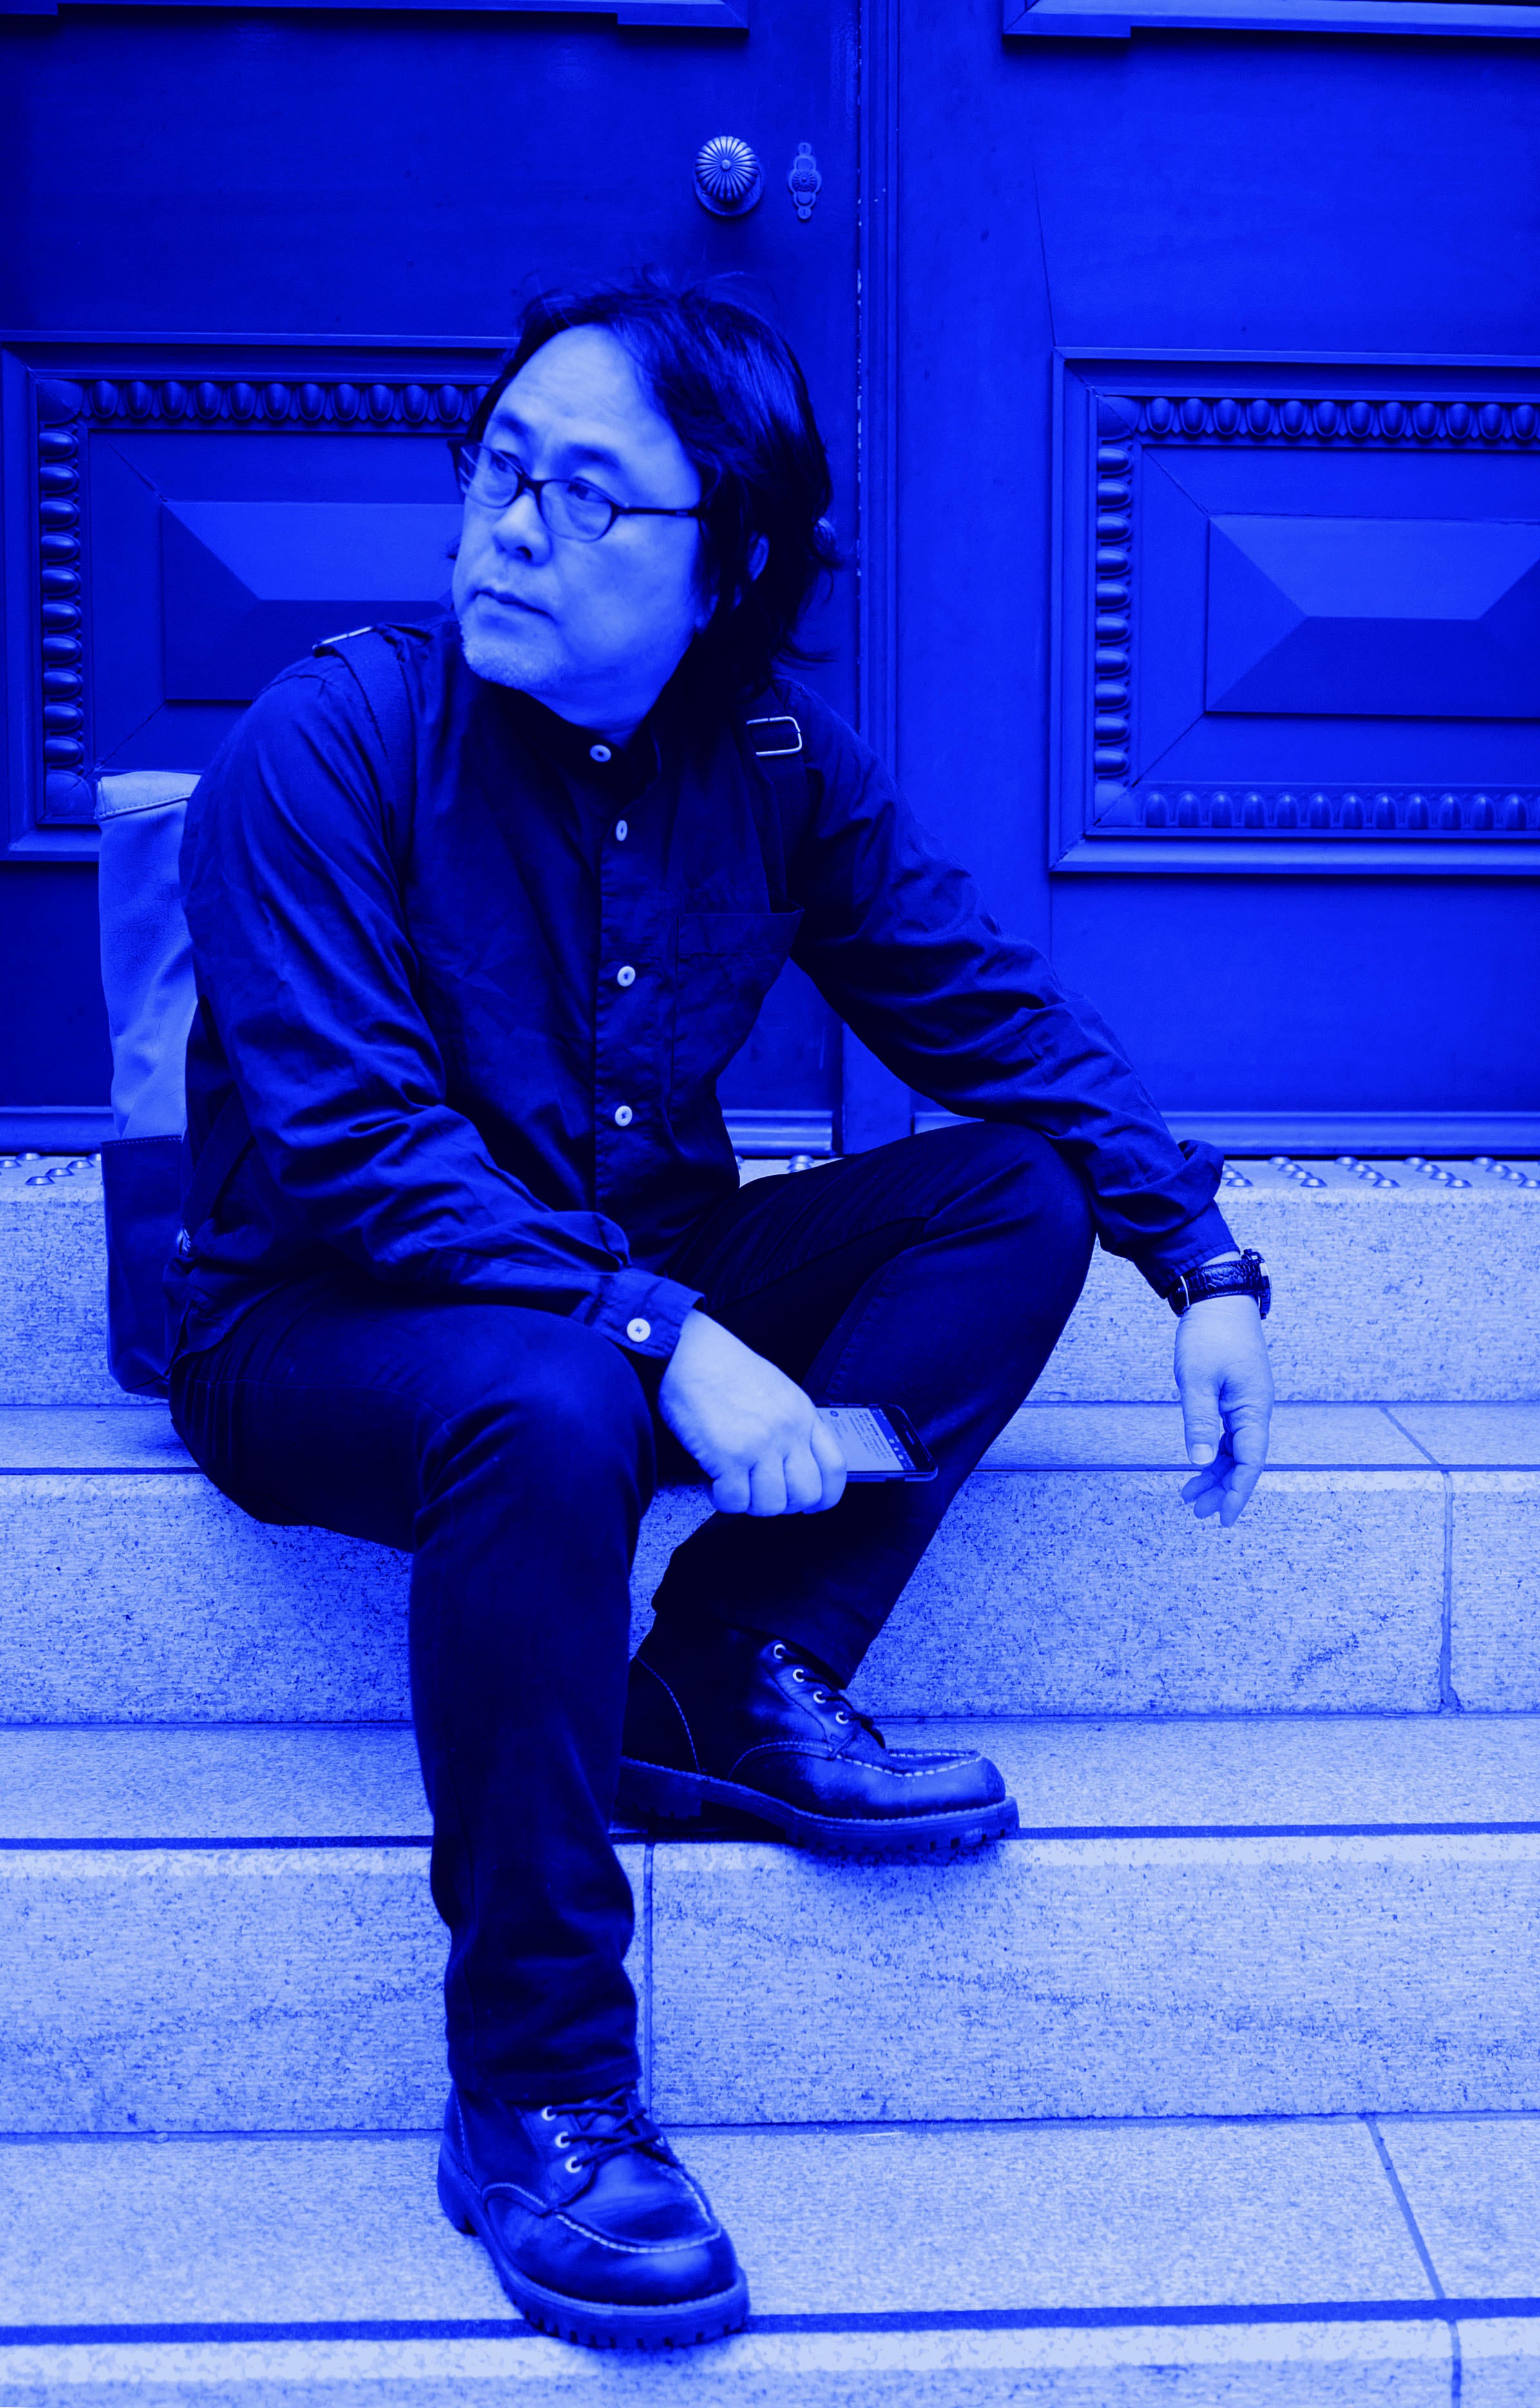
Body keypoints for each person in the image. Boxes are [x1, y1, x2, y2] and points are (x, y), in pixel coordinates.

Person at [167, 275, 1275, 2353]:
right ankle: (536, 2090)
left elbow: (980, 1005)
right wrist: (667, 1338)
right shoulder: (333, 739)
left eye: (587, 497)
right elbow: (357, 1152)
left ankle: (719, 1683)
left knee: (1012, 1197)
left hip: (634, 1277)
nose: (512, 528)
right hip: (327, 1316)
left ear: (729, 564)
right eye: (501, 468)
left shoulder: (773, 756)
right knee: (551, 1400)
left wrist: (1195, 1252)